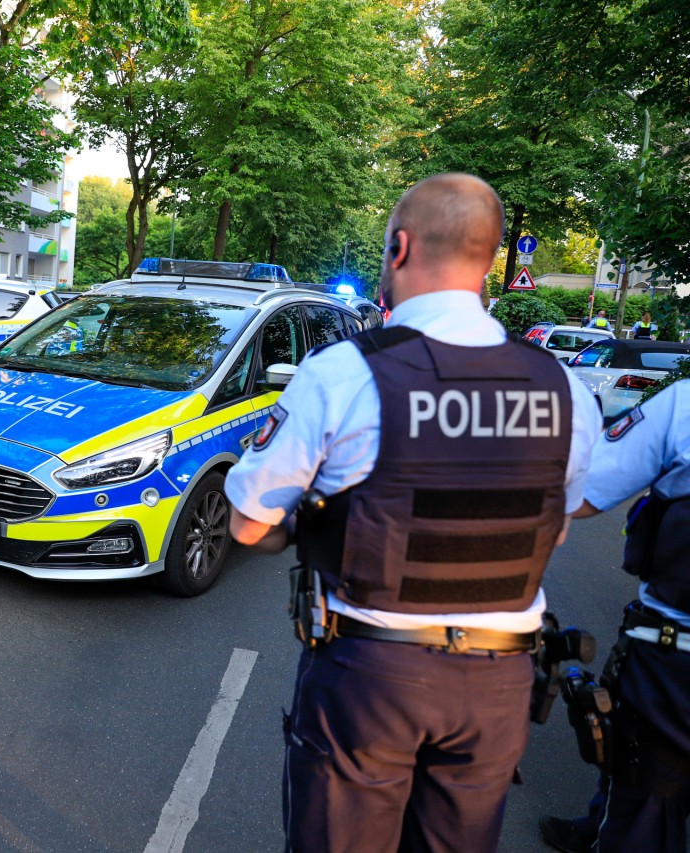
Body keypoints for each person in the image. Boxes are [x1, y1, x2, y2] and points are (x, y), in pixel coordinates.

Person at [224, 173, 602, 852]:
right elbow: (558, 520)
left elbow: (247, 520)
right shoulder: (566, 391)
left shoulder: (343, 372)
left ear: (398, 248)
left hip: (372, 675)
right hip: (498, 684)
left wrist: (294, 529)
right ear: (490, 260)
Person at [540, 381, 690, 853]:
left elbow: (583, 494)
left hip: (674, 656)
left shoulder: (684, 403)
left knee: (646, 796)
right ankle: (593, 828)